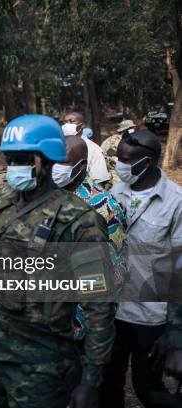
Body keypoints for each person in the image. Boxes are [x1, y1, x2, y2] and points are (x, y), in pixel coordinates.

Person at [0, 114, 117, 408]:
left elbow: (99, 304)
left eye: (21, 159)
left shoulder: (79, 220)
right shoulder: (2, 205)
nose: (13, 167)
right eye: (9, 159)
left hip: (41, 367)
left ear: (46, 160)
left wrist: (91, 380)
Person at [100, 129, 182, 407]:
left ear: (146, 162)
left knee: (148, 388)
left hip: (152, 315)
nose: (119, 164)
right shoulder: (116, 190)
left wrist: (175, 334)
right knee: (108, 384)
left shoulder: (175, 201)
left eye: (125, 159)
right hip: (114, 309)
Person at [53, 135, 128, 340]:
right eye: (52, 160)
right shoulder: (44, 196)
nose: (55, 167)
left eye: (63, 162)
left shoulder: (104, 206)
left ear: (82, 165)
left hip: (79, 325)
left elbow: (116, 269)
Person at [61, 111, 110, 185]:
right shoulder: (57, 145)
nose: (67, 125)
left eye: (71, 122)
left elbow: (99, 180)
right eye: (64, 122)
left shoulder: (94, 149)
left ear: (82, 125)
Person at [101, 119, 136, 187]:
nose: (133, 130)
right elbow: (105, 155)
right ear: (124, 130)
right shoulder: (112, 141)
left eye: (133, 128)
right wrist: (112, 159)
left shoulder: (132, 140)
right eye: (130, 129)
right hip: (114, 173)